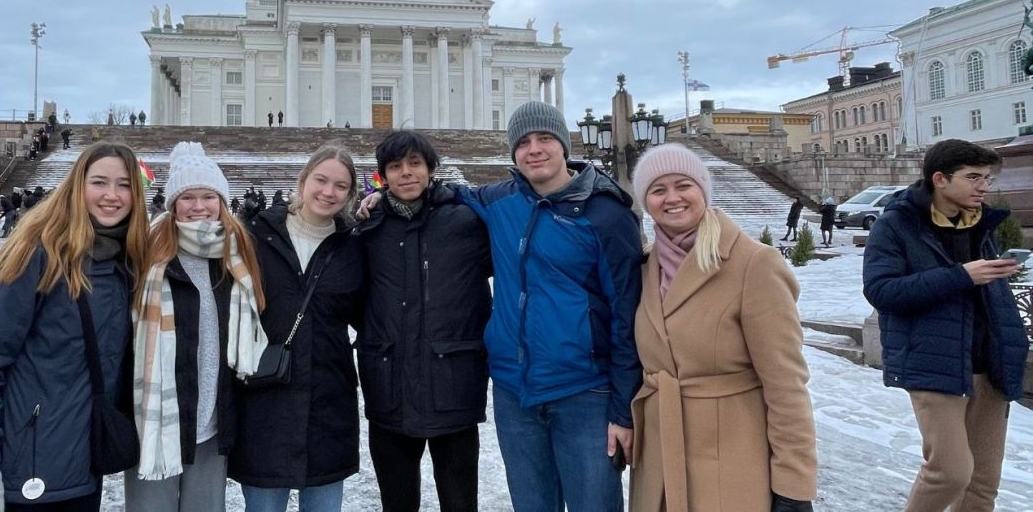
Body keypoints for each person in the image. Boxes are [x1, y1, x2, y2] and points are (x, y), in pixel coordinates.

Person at [359, 101, 643, 512]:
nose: (534, 149)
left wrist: (623, 408)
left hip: (584, 391)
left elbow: (625, 314)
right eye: (523, 142)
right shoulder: (500, 201)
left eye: (544, 138)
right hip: (516, 393)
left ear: (564, 145)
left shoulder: (606, 213)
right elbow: (451, 194)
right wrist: (377, 200)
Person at [0, 141, 149, 511]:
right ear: (77, 186)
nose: (112, 195)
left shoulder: (124, 261)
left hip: (84, 462)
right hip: (28, 461)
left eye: (123, 185)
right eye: (100, 182)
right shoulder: (38, 254)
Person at [628, 144, 817, 512]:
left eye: (683, 185)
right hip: (659, 467)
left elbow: (786, 385)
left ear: (703, 190)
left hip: (730, 462)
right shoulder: (644, 267)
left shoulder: (754, 264)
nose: (672, 199)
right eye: (657, 190)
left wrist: (794, 486)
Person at [863, 139, 1030, 511]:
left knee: (983, 484)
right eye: (973, 177)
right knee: (950, 472)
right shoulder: (896, 225)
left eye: (987, 177)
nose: (984, 186)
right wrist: (962, 276)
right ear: (940, 178)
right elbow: (882, 291)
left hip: (992, 363)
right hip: (933, 363)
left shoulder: (980, 222)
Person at [124, 142, 268, 512]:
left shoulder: (236, 255)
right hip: (156, 422)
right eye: (188, 197)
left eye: (208, 196)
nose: (199, 206)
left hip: (212, 422)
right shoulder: (146, 253)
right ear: (173, 204)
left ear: (222, 201)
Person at [354, 131, 492, 512]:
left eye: (415, 163)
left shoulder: (466, 221)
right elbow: (351, 296)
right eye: (395, 167)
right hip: (389, 386)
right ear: (383, 176)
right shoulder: (368, 227)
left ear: (431, 169)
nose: (406, 173)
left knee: (459, 501)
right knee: (397, 503)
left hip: (453, 386)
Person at [229, 146, 364, 512]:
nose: (328, 192)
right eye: (320, 180)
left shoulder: (354, 246)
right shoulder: (256, 236)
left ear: (351, 195)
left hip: (327, 406)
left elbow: (370, 315)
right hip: (264, 403)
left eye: (340, 186)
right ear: (302, 182)